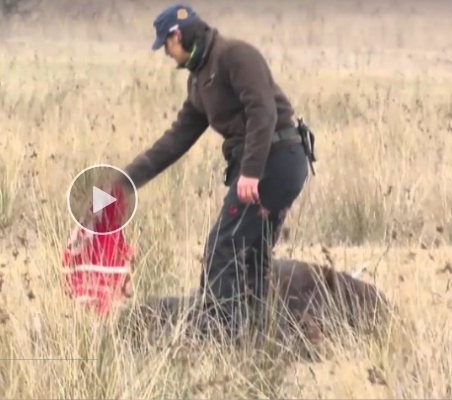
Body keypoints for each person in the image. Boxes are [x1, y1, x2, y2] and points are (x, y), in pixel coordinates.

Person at [102, 4, 313, 339]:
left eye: (165, 45)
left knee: (223, 245)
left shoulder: (235, 55)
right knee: (251, 252)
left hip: (278, 159)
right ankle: (254, 334)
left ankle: (222, 335)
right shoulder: (200, 83)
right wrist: (121, 184)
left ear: (176, 35)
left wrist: (252, 171)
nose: (166, 55)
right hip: (266, 163)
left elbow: (263, 110)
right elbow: (173, 143)